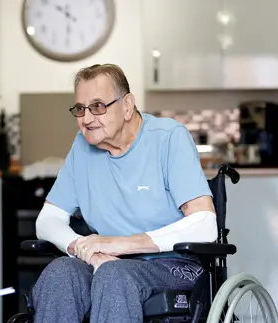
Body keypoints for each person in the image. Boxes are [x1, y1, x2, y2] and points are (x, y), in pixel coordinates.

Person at [31, 64, 217, 323]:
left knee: (114, 275)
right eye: (80, 109)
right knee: (61, 272)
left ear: (127, 105)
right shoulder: (83, 147)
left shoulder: (168, 138)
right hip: (108, 263)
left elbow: (205, 225)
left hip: (173, 265)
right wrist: (87, 251)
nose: (86, 118)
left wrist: (117, 244)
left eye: (97, 106)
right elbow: (47, 220)